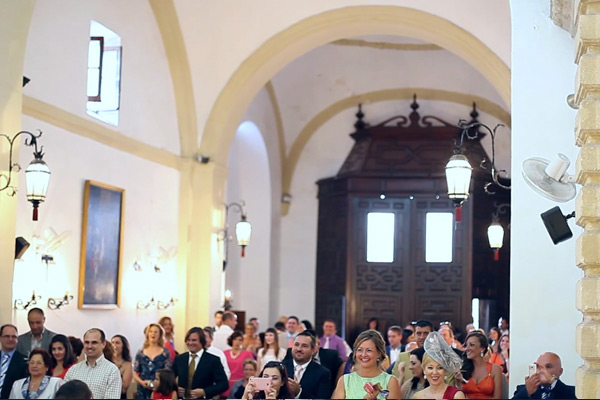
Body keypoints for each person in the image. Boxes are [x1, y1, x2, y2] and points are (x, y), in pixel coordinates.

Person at [331, 330, 400, 399]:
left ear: (379, 353)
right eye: (360, 350)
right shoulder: (345, 381)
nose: (363, 355)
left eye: (369, 350)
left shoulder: (391, 381)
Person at [63, 328, 122, 399]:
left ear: (103, 344)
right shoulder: (73, 370)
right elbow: (64, 396)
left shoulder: (112, 371)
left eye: (94, 342)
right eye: (87, 342)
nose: (89, 346)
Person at [171, 327, 228, 399]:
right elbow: (169, 379)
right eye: (188, 340)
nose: (190, 343)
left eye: (194, 340)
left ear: (202, 341)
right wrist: (175, 389)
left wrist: (204, 392)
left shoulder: (213, 360)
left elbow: (224, 384)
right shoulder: (179, 359)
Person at [413, 332, 464, 399]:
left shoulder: (456, 396)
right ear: (424, 369)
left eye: (440, 368)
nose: (434, 372)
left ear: (445, 370)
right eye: (430, 368)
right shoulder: (418, 396)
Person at [283, 331, 332, 398]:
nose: (299, 349)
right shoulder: (282, 367)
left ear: (313, 350)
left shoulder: (323, 373)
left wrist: (299, 392)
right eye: (296, 344)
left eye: (304, 346)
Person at [512, 352, 576, 399]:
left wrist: (552, 381)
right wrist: (527, 392)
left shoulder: (573, 392)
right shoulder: (522, 389)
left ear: (560, 371)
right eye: (539, 367)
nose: (542, 371)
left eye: (548, 367)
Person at [133, 323, 172, 399]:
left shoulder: (165, 352)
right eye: (151, 331)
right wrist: (142, 382)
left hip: (160, 390)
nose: (153, 334)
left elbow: (167, 372)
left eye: (155, 332)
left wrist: (157, 384)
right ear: (147, 334)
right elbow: (134, 372)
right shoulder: (140, 353)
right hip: (143, 389)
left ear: (160, 335)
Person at [459, 331, 503, 399]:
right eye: (466, 345)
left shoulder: (495, 369)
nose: (467, 348)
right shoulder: (463, 369)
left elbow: (497, 398)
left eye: (472, 345)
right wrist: (457, 382)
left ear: (482, 348)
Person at [390, 320, 433, 384]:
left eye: (426, 333)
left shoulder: (440, 357)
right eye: (419, 333)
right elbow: (393, 383)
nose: (422, 337)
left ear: (432, 335)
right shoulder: (403, 357)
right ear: (414, 335)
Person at [0, 324, 29, 399]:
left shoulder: (25, 361)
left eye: (14, 337)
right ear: (0, 338)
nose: (10, 339)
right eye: (7, 336)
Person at [224, 331, 254, 397]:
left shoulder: (247, 354)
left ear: (242, 341)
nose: (237, 342)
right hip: (227, 385)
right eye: (235, 339)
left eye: (240, 340)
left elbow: (253, 369)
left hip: (241, 385)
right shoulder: (224, 353)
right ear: (231, 340)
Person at [111, 334, 133, 399]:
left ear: (123, 346)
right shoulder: (106, 361)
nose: (114, 345)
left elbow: (123, 388)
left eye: (117, 343)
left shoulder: (127, 365)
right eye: (112, 342)